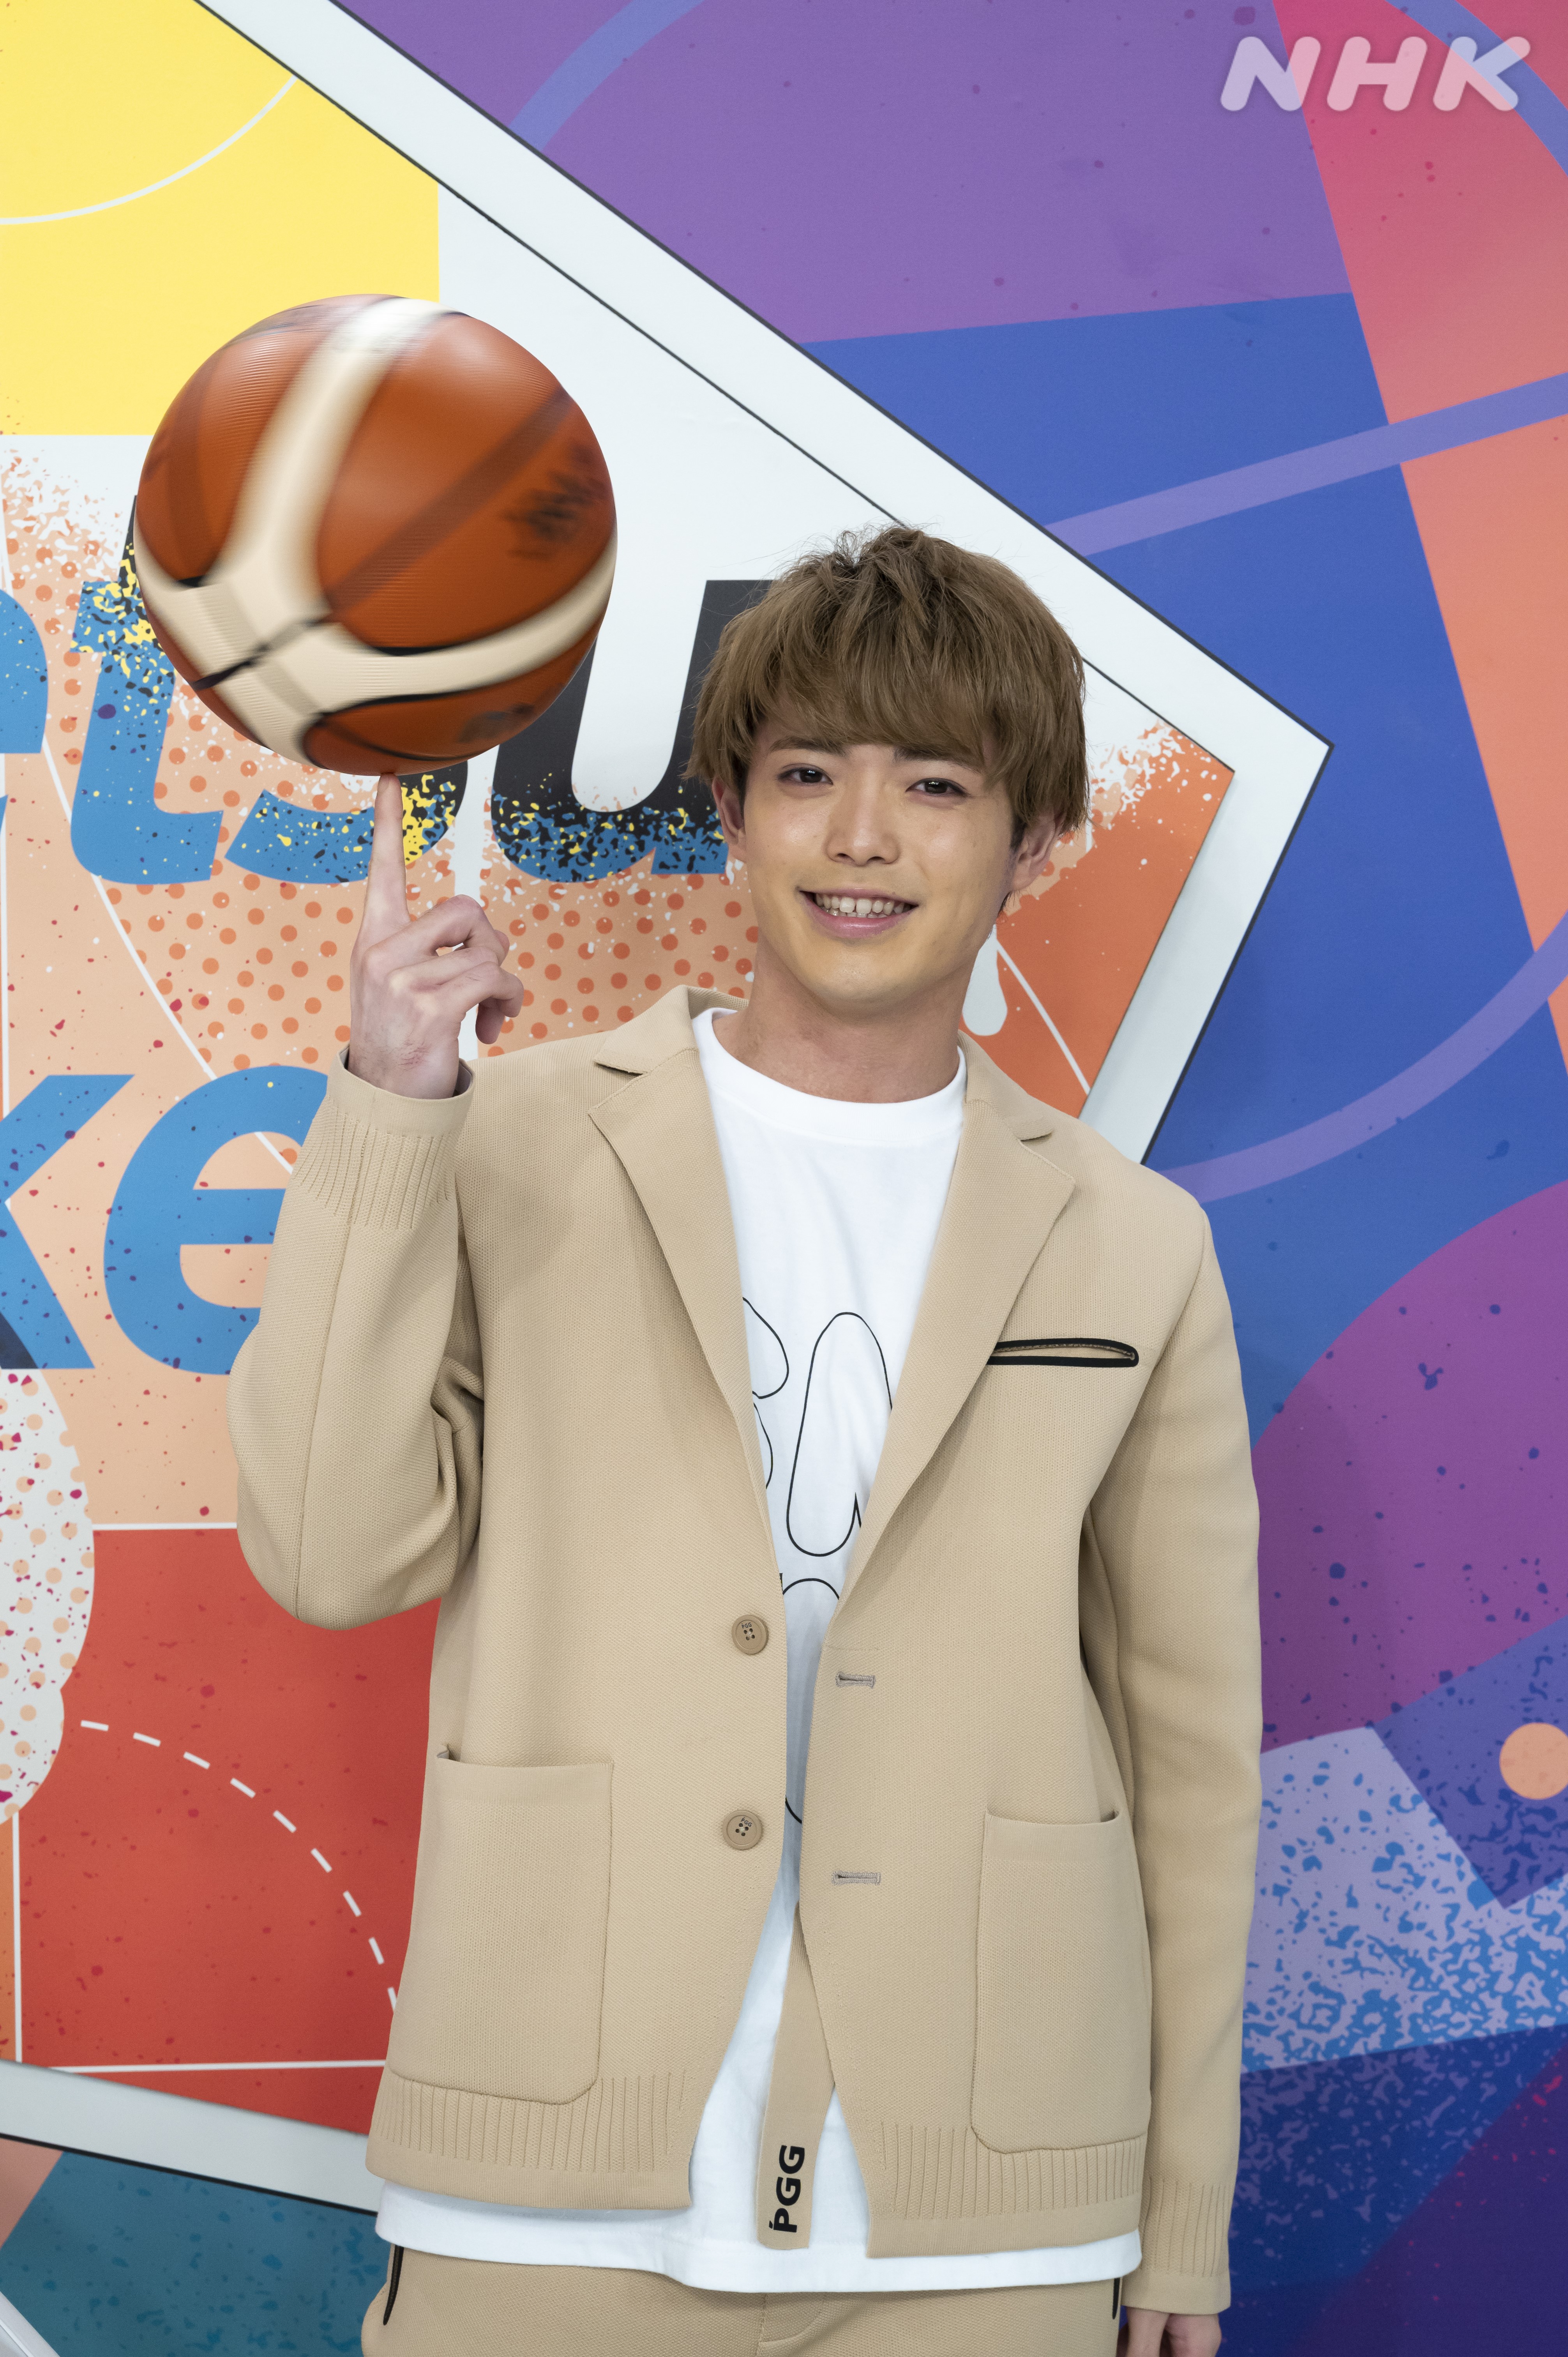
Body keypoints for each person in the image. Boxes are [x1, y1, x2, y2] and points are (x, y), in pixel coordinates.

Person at [229, 527, 1261, 2357]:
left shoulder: (1134, 1242)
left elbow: (1189, 1764)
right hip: (539, 2173)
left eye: (934, 784)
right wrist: (389, 1102)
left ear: (1034, 840)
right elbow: (328, 1552)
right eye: (805, 776)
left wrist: (1178, 2219)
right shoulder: (511, 1135)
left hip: (983, 2213)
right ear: (729, 811)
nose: (860, 837)